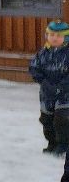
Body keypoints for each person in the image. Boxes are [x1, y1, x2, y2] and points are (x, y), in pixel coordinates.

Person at [27, 21, 69, 155]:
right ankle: (52, 143)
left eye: (59, 35)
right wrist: (44, 82)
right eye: (51, 35)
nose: (55, 38)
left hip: (65, 96)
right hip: (47, 95)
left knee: (62, 120)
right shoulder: (43, 53)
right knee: (46, 120)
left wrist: (61, 86)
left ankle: (63, 146)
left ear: (66, 38)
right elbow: (34, 68)